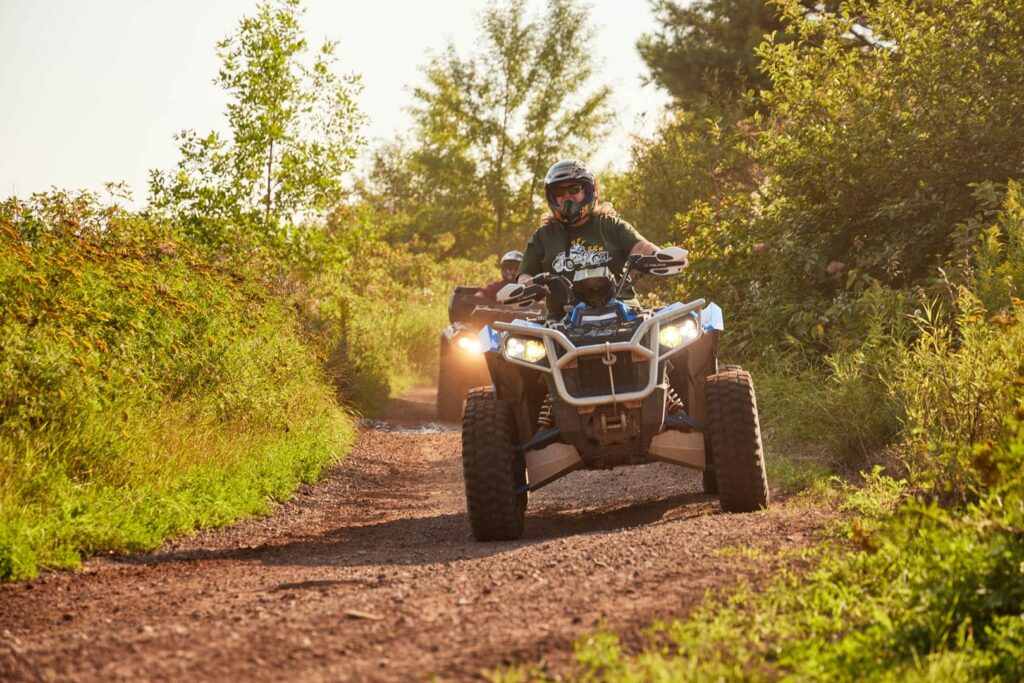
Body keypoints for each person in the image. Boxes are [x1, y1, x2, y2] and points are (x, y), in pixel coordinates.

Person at [517, 159, 659, 316]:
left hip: (626, 315)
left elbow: (641, 247)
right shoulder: (543, 236)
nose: (566, 196)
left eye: (574, 189)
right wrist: (526, 285)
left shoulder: (610, 225)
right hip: (562, 326)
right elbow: (525, 274)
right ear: (552, 196)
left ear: (588, 190)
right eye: (559, 191)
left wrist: (657, 256)